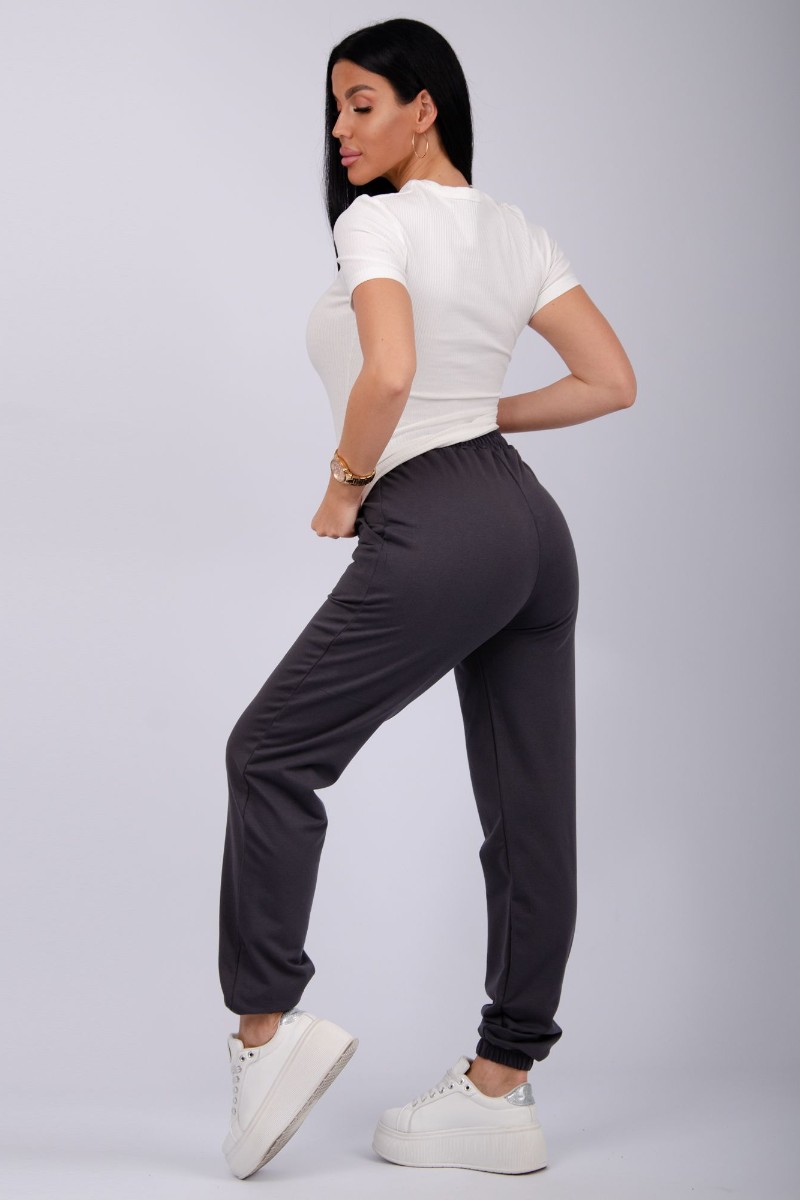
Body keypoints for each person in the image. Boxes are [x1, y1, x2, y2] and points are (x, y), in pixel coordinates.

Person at [218, 16, 636, 1181]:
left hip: (435, 517)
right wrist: (484, 416)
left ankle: (264, 1037)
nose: (339, 130)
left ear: (423, 106)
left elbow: (390, 371)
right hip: (529, 529)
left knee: (269, 754)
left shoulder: (378, 221)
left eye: (360, 103)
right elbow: (609, 381)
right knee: (530, 812)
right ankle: (502, 1089)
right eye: (332, 108)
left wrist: (344, 483)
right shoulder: (515, 229)